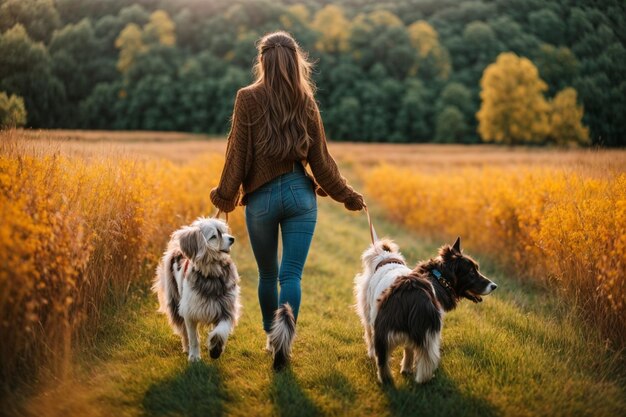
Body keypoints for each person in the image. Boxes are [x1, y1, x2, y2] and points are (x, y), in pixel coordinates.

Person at [210, 31, 364, 370]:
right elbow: (322, 163)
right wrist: (348, 197)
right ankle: (285, 340)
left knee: (267, 274)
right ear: (296, 62)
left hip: (261, 200)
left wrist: (224, 196)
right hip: (300, 196)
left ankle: (270, 337)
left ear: (262, 60)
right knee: (291, 275)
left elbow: (237, 156)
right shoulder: (305, 100)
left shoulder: (246, 97)